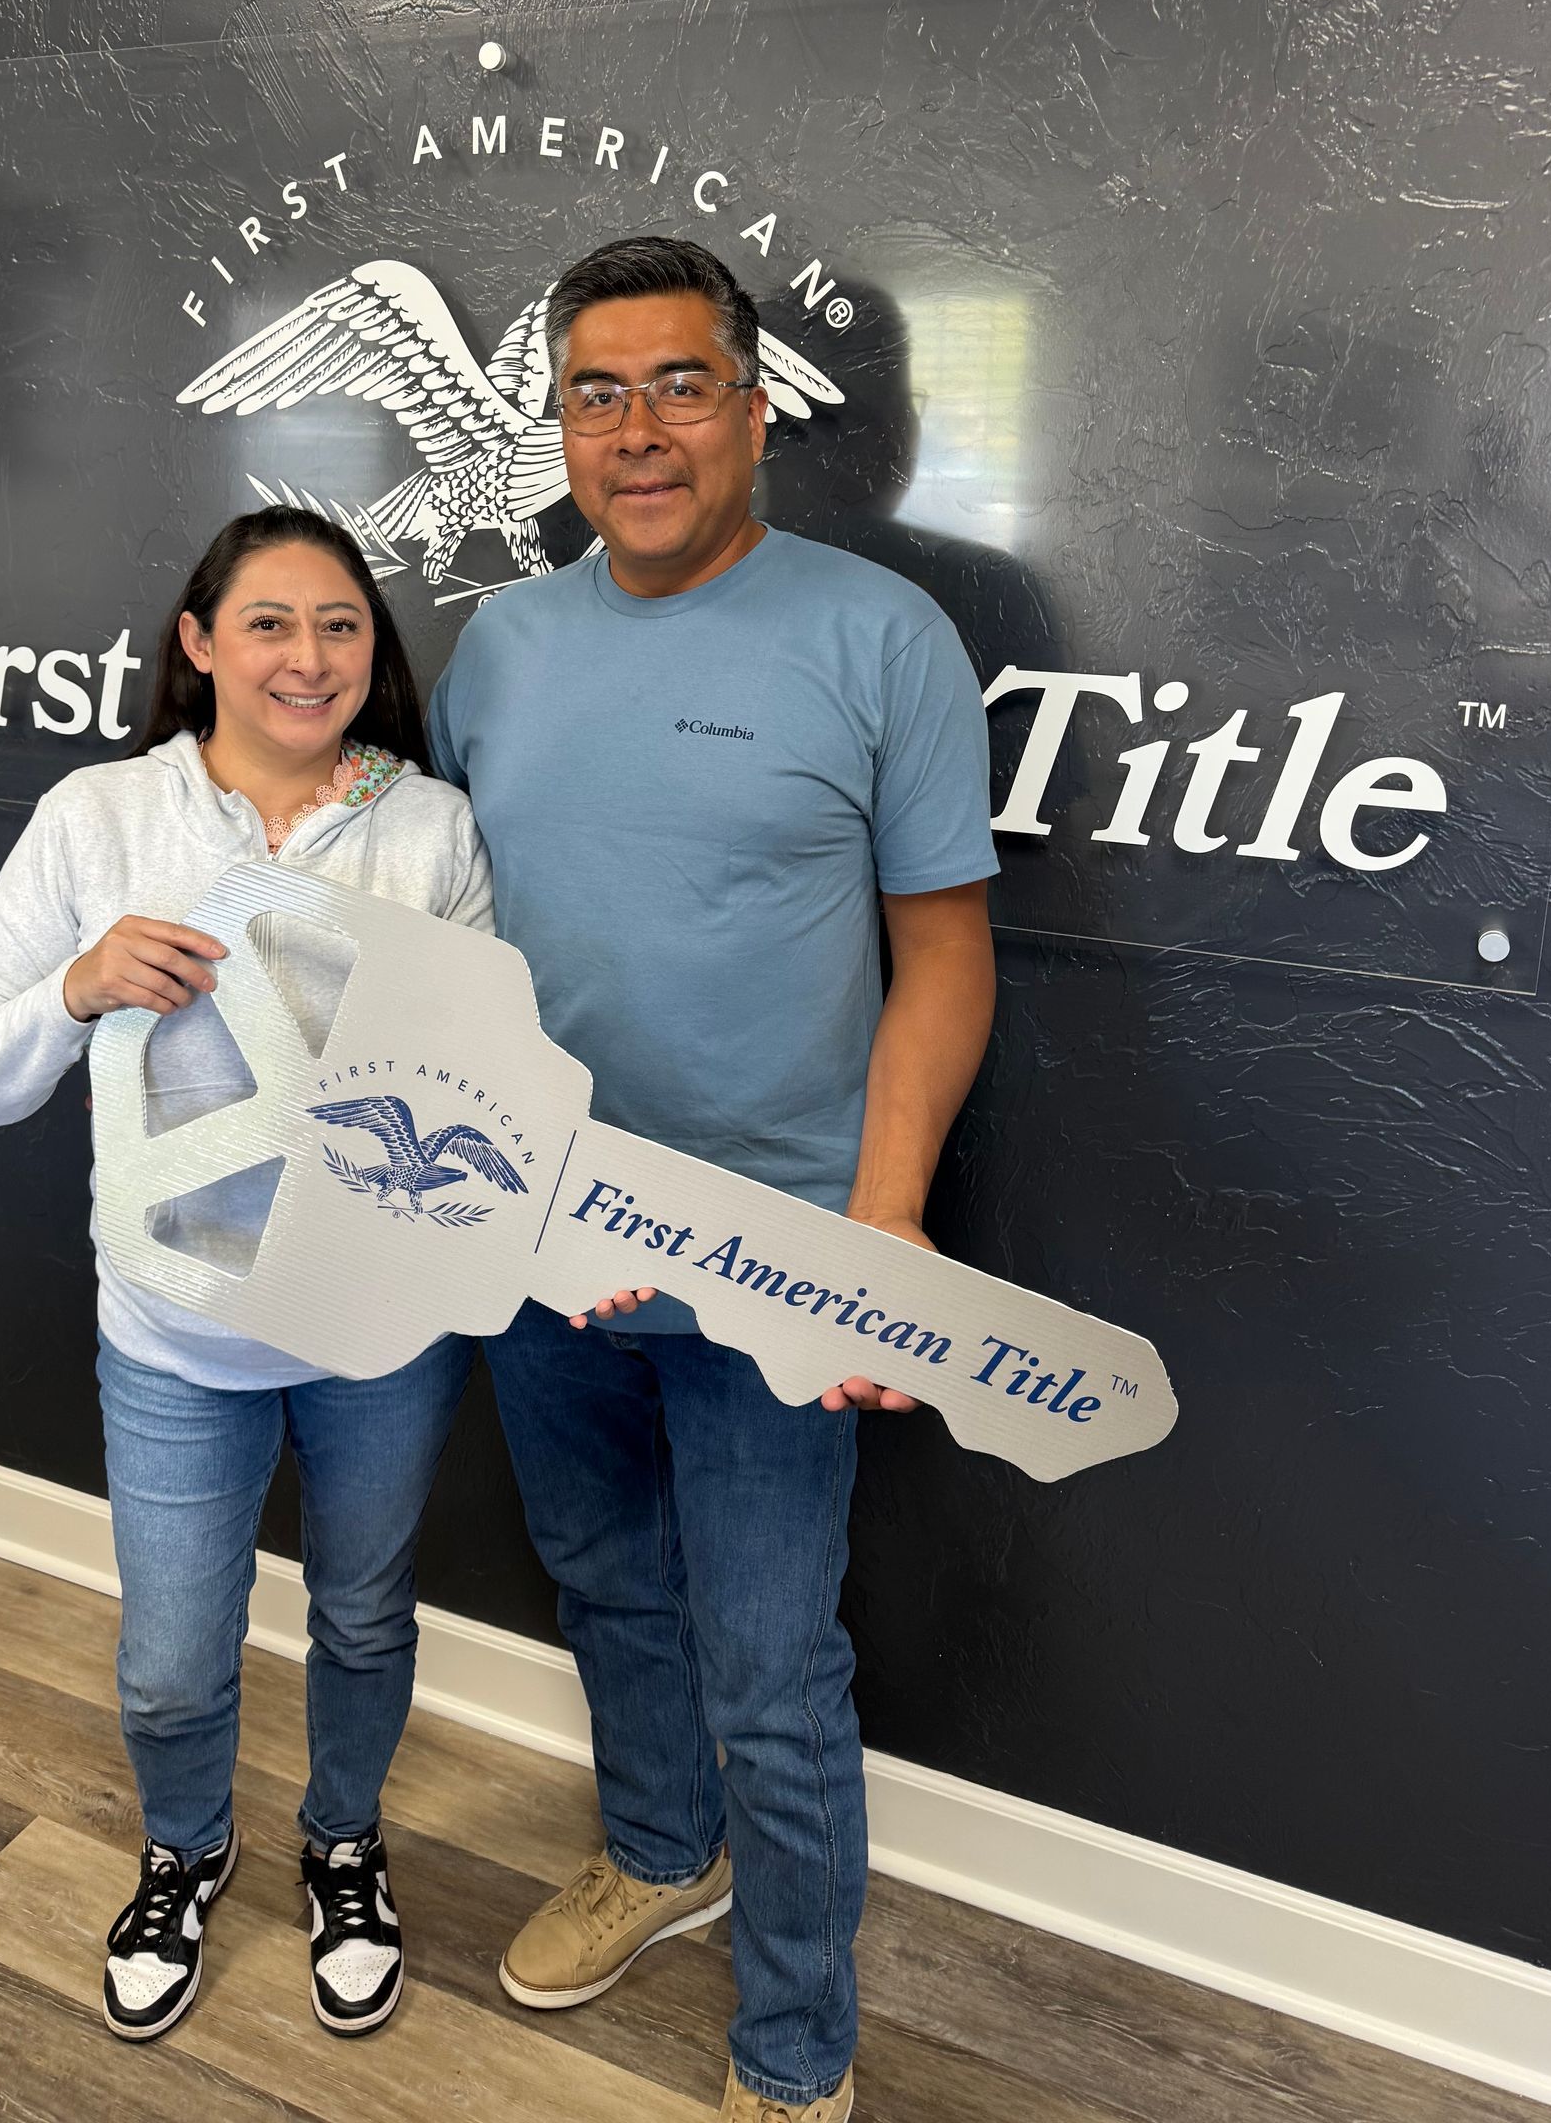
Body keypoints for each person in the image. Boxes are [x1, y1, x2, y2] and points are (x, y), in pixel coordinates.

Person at [428, 235, 999, 2123]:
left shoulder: (879, 634)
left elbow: (945, 950)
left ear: (757, 411)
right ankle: (665, 1855)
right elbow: (457, 929)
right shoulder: (500, 644)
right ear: (559, 428)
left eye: (682, 385)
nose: (641, 430)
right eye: (598, 393)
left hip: (780, 1256)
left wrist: (887, 1219)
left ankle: (793, 2054)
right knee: (601, 1578)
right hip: (540, 1227)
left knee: (774, 1667)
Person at [0, 507, 492, 2046]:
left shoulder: (428, 829)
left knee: (367, 1614)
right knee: (176, 1657)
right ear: (196, 641)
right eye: (268, 623)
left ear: (375, 653)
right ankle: (186, 1845)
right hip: (177, 1329)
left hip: (378, 1328)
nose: (307, 658)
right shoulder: (102, 818)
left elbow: (476, 1095)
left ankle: (342, 1841)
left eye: (340, 627)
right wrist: (80, 983)